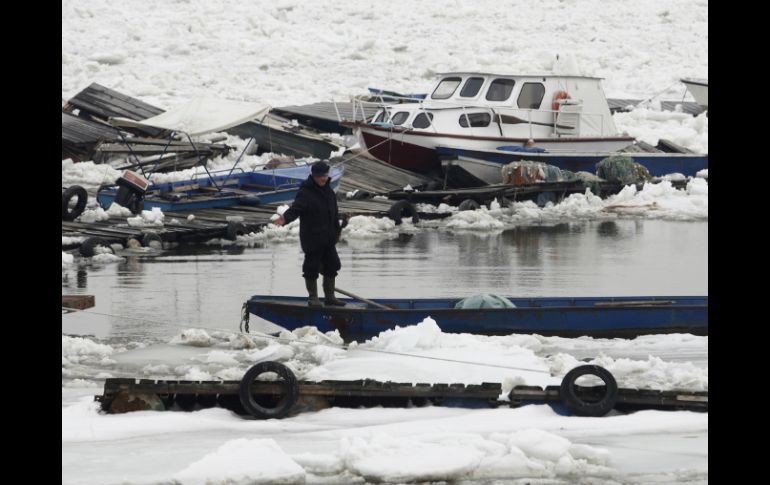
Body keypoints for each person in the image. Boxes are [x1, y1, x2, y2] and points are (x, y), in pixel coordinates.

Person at [272, 161, 345, 307]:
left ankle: (330, 297)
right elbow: (296, 209)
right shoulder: (306, 192)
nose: (324, 178)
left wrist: (337, 231)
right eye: (320, 176)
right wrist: (285, 218)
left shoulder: (329, 191)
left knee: (333, 265)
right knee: (311, 268)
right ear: (314, 176)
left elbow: (334, 214)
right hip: (313, 238)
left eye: (325, 175)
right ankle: (313, 298)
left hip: (328, 238)